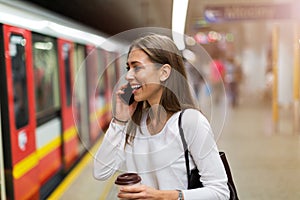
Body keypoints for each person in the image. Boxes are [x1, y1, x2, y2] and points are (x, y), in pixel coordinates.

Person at [94, 34, 229, 200]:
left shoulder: (190, 122)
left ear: (164, 72)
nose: (128, 76)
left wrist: (165, 196)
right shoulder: (135, 124)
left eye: (137, 67)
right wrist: (119, 120)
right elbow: (101, 171)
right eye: (128, 68)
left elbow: (220, 192)